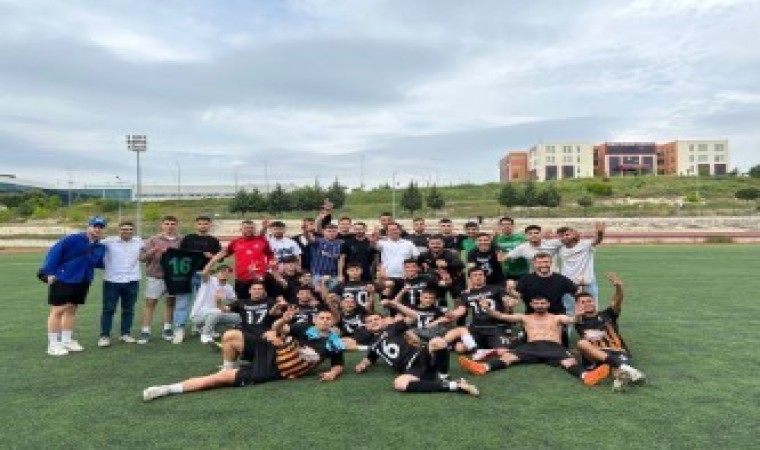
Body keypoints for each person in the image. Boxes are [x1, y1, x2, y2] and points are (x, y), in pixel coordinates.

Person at [142, 308, 345, 401]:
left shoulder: (333, 343)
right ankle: (228, 365)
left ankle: (167, 389)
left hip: (274, 368)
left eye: (328, 318)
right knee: (230, 335)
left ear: (333, 322)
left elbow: (338, 364)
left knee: (218, 379)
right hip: (271, 350)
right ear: (315, 320)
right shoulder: (304, 328)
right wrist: (283, 320)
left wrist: (333, 373)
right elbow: (277, 329)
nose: (325, 321)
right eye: (321, 317)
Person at [457, 296, 610, 386]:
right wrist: (488, 309)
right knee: (508, 357)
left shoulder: (556, 317)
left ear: (548, 305)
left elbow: (571, 320)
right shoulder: (525, 318)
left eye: (543, 303)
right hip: (531, 346)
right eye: (537, 303)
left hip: (553, 346)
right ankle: (483, 367)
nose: (540, 306)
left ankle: (587, 376)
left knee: (569, 361)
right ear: (531, 305)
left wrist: (577, 315)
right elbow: (502, 316)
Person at [354, 310, 479, 396]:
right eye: (370, 321)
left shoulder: (393, 328)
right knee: (399, 384)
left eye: (376, 319)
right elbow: (370, 358)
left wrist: (395, 305)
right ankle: (454, 385)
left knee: (438, 341)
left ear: (383, 321)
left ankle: (443, 375)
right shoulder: (373, 344)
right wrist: (362, 365)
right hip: (411, 370)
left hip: (420, 356)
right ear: (367, 327)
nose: (374, 322)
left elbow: (414, 316)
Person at [39, 216, 107, 356]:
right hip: (63, 278)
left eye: (100, 227)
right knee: (58, 310)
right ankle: (53, 344)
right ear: (88, 226)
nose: (97, 229)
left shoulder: (100, 246)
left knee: (71, 310)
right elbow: (54, 253)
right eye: (95, 226)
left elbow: (98, 263)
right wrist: (46, 273)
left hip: (83, 280)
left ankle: (66, 340)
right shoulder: (72, 239)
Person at [575, 273, 647, 392]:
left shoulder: (608, 314)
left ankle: (620, 378)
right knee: (581, 343)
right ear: (578, 306)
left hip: (617, 351)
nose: (587, 303)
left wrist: (619, 287)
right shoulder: (579, 321)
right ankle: (628, 369)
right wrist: (581, 286)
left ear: (594, 302)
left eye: (589, 301)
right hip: (596, 354)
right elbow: (577, 306)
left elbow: (617, 302)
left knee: (611, 366)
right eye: (583, 302)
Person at [443, 267, 516, 359]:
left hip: (495, 326)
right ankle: (482, 349)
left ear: (484, 277)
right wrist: (452, 314)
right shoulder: (466, 294)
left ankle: (485, 349)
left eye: (480, 275)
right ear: (470, 278)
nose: (478, 277)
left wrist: (510, 301)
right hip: (477, 328)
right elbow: (461, 309)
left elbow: (506, 299)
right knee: (460, 348)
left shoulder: (495, 288)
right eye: (475, 275)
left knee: (503, 351)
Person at [137, 215, 184, 344]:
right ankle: (145, 331)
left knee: (171, 303)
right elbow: (142, 258)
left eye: (172, 224)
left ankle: (167, 329)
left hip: (174, 277)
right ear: (162, 225)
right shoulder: (153, 239)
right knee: (150, 303)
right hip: (155, 276)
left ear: (176, 225)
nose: (169, 226)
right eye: (167, 224)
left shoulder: (182, 240)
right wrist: (155, 250)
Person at [99, 220, 143, 347]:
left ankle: (125, 334)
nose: (127, 231)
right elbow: (93, 244)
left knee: (129, 309)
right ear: (119, 230)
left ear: (133, 231)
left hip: (132, 280)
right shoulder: (108, 242)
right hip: (112, 281)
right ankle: (104, 336)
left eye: (130, 229)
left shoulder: (139, 242)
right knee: (108, 309)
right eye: (124, 229)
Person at [188, 256, 240, 344]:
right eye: (222, 271)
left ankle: (203, 328)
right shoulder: (209, 280)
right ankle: (206, 334)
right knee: (216, 312)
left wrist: (227, 307)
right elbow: (204, 273)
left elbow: (236, 302)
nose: (225, 274)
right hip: (198, 315)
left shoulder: (229, 288)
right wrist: (214, 259)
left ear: (231, 275)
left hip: (216, 314)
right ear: (216, 273)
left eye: (228, 272)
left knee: (237, 318)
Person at [557, 222, 605, 311]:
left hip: (587, 282)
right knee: (569, 309)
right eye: (561, 236)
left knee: (592, 308)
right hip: (568, 284)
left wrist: (600, 233)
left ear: (574, 234)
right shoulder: (561, 249)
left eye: (567, 235)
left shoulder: (585, 245)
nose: (564, 237)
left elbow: (597, 240)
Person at [224, 220, 274, 300]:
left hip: (258, 278)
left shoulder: (262, 241)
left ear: (254, 229)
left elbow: (270, 254)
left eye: (251, 228)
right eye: (246, 228)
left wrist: (270, 265)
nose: (249, 230)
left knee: (262, 302)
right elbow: (224, 254)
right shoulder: (235, 242)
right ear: (241, 229)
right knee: (242, 302)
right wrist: (213, 257)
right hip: (241, 279)